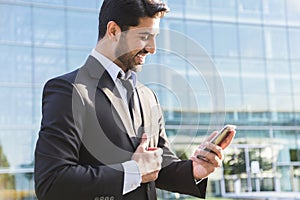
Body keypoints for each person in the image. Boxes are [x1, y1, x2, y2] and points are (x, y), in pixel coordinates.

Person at [34, 0, 236, 199]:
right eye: (144, 36)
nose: (152, 48)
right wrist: (133, 172)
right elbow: (52, 182)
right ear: (113, 31)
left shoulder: (148, 96)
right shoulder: (69, 90)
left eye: (154, 37)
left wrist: (195, 169)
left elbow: (158, 164)